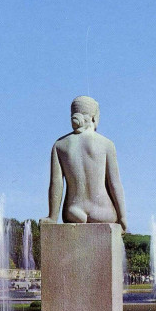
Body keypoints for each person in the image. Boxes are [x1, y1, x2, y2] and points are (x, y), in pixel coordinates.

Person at [40, 96, 127, 232]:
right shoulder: (106, 144)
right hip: (103, 212)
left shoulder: (60, 145)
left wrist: (52, 217)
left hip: (74, 211)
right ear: (94, 116)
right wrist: (122, 218)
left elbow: (56, 184)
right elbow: (114, 183)